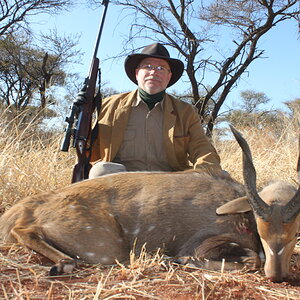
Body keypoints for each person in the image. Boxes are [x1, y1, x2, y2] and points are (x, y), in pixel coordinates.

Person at [88, 43, 223, 178]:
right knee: (101, 171)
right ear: (137, 73)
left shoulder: (185, 112)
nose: (154, 72)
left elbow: (203, 149)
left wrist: (206, 173)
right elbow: (88, 149)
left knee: (219, 176)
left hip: (169, 182)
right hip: (123, 180)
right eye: (148, 66)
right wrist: (81, 114)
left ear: (169, 76)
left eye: (161, 68)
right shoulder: (108, 106)